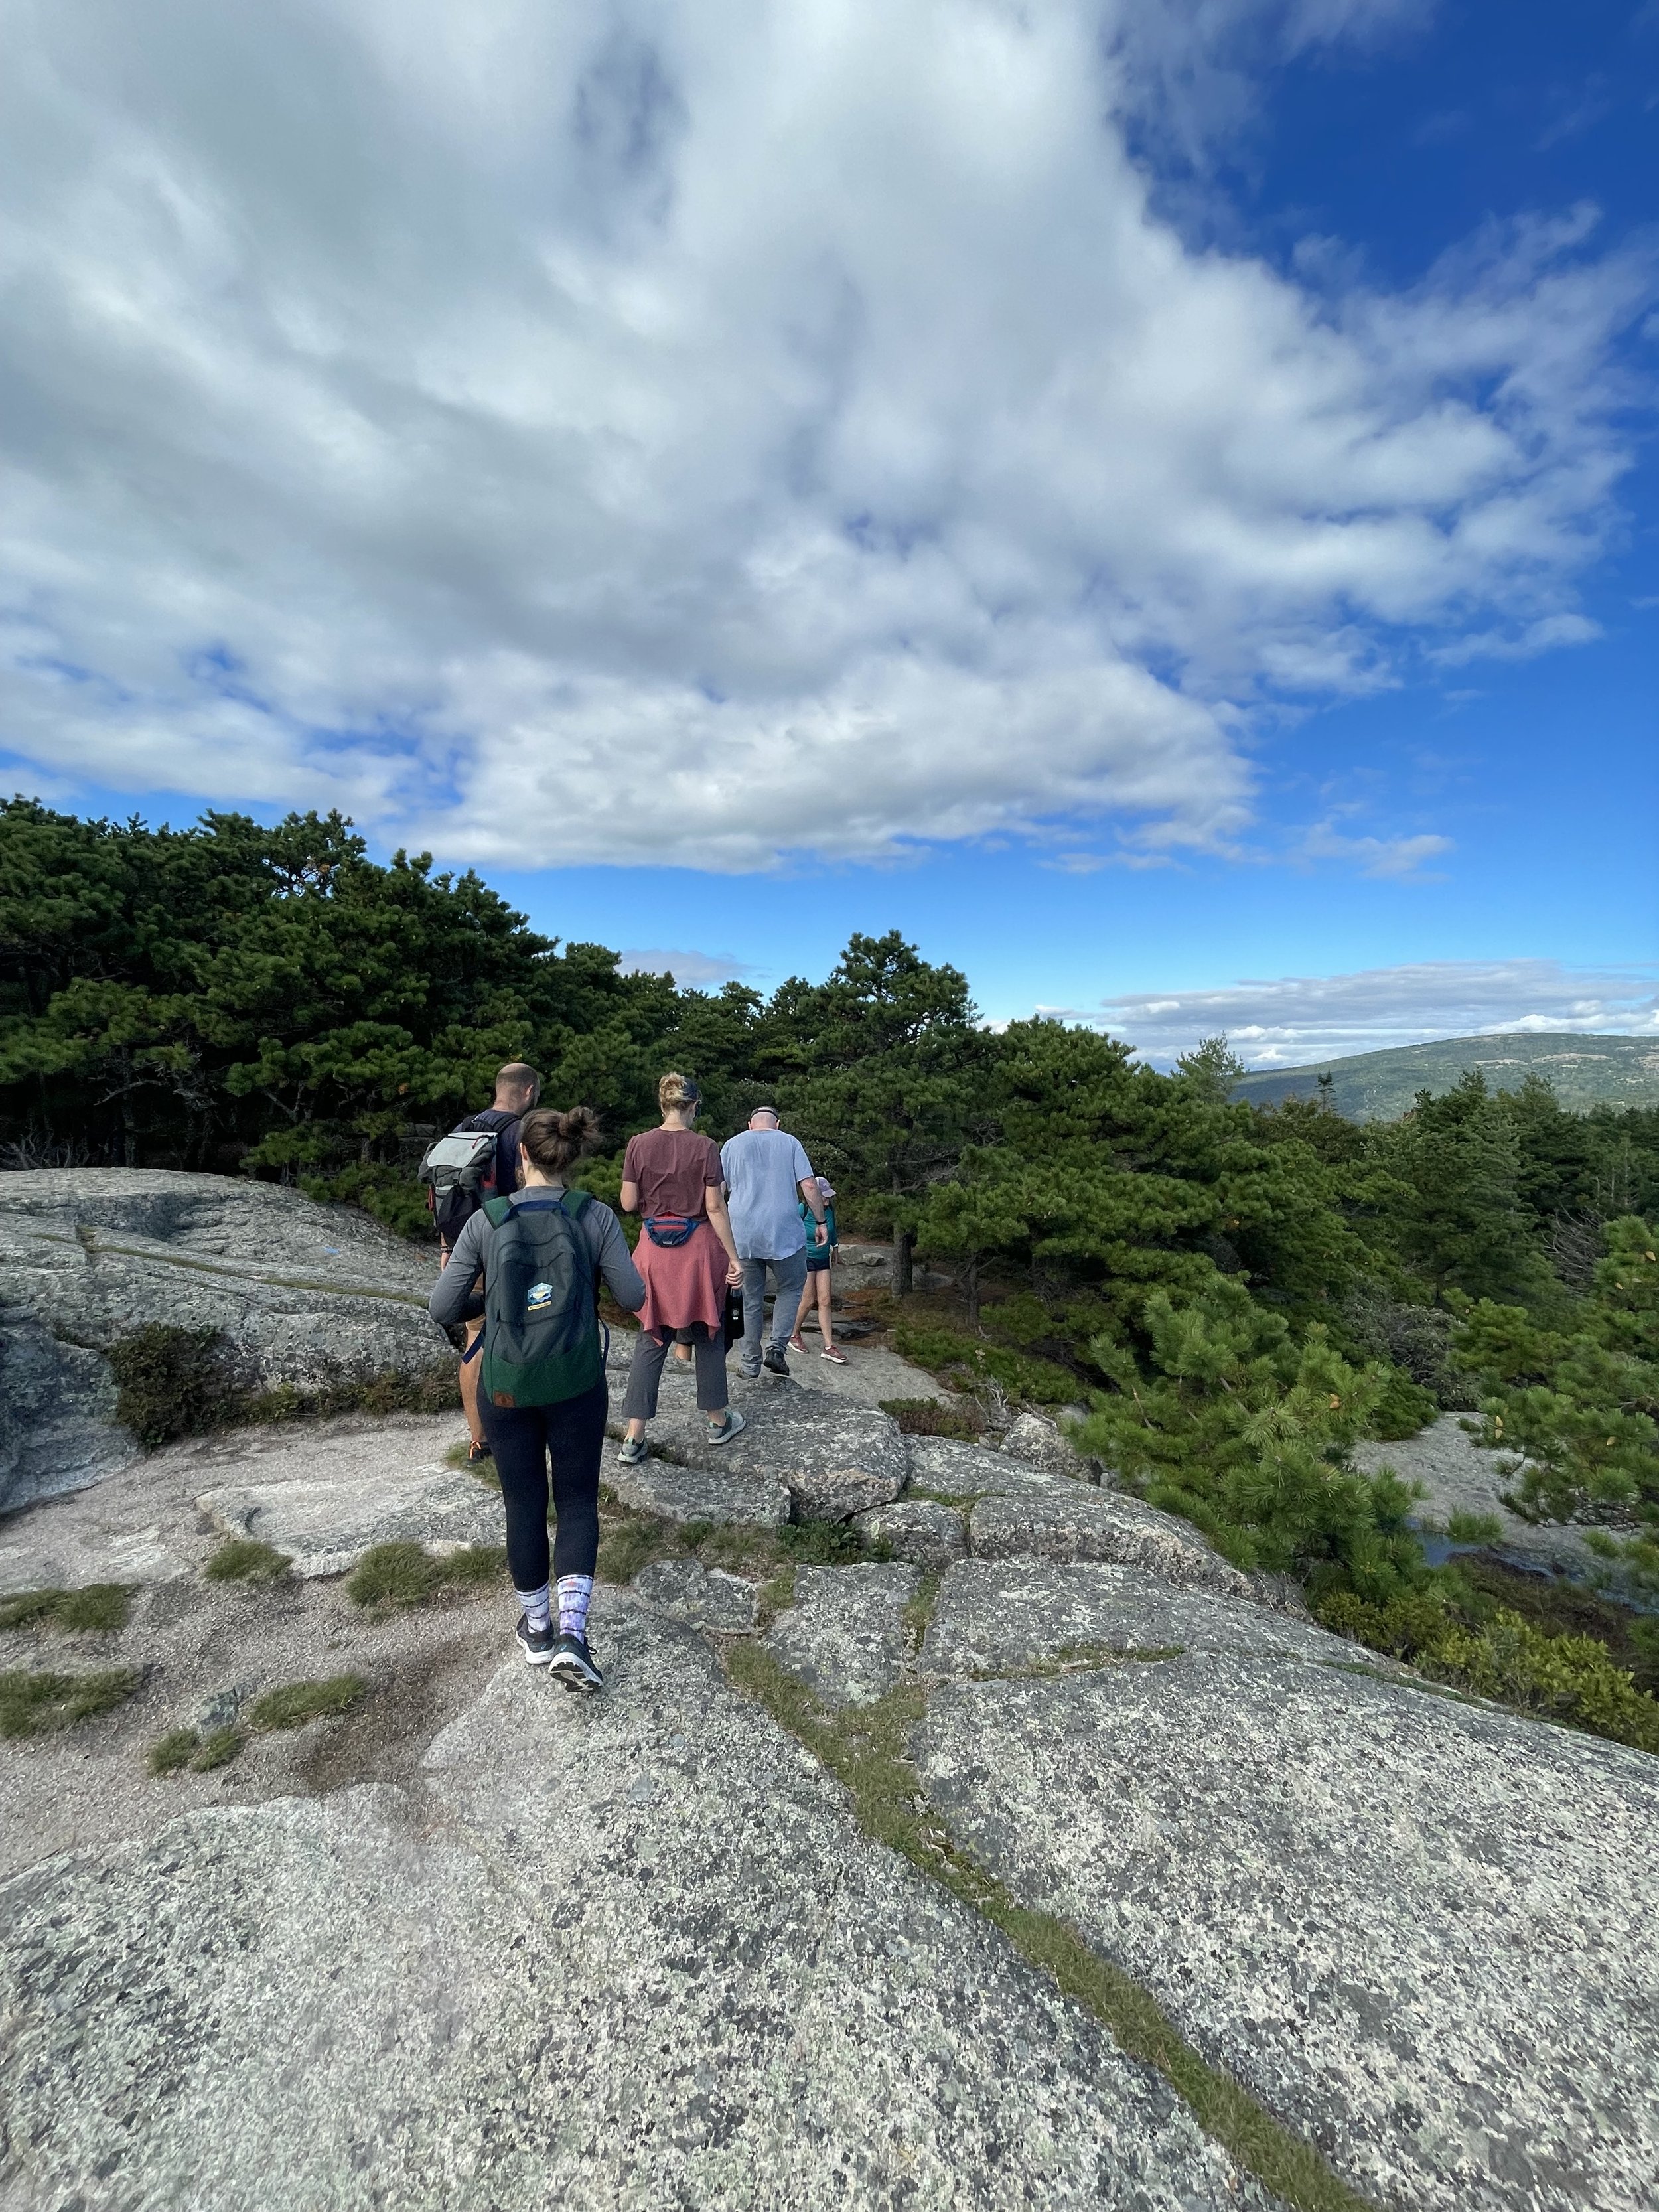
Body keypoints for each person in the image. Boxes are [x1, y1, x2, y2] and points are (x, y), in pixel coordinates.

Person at [428, 1105, 644, 1691]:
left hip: (506, 1385)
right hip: (576, 1380)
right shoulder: (593, 1216)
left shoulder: (485, 1220)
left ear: (520, 1156)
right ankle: (574, 1634)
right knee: (576, 1501)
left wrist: (493, 1311)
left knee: (523, 1503)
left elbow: (442, 1309)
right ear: (571, 1158)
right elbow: (633, 1293)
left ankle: (538, 1628)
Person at [616, 1074, 747, 1465]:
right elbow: (715, 1207)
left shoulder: (639, 1144)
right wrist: (735, 1258)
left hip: (653, 1251)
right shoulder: (706, 1147)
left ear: (662, 1106)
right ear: (693, 1106)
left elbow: (627, 1202)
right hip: (698, 1251)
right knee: (708, 1329)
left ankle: (633, 1437)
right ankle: (717, 1421)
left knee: (652, 1334)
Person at [433, 1063, 540, 1466]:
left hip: (463, 1250)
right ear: (528, 1092)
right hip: (509, 1253)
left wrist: (448, 1252)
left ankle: (479, 1440)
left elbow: (447, 1195)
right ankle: (523, 1428)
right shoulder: (520, 1135)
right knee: (525, 1338)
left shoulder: (463, 1129)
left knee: (474, 1339)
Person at [719, 1105, 826, 1378]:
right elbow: (810, 1186)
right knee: (791, 1289)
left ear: (749, 1123)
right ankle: (777, 1349)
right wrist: (820, 1221)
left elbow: (717, 1191)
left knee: (750, 1299)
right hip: (784, 1233)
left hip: (742, 1234)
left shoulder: (731, 1145)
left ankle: (749, 1365)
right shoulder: (790, 1142)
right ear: (777, 1123)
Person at [788, 1175, 847, 1364]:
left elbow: (833, 1229)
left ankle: (830, 1346)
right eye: (824, 1196)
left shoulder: (829, 1210)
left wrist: (835, 1248)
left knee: (825, 1300)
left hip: (823, 1259)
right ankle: (793, 1334)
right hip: (805, 1258)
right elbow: (789, 1229)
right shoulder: (802, 1209)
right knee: (807, 1301)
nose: (828, 1200)